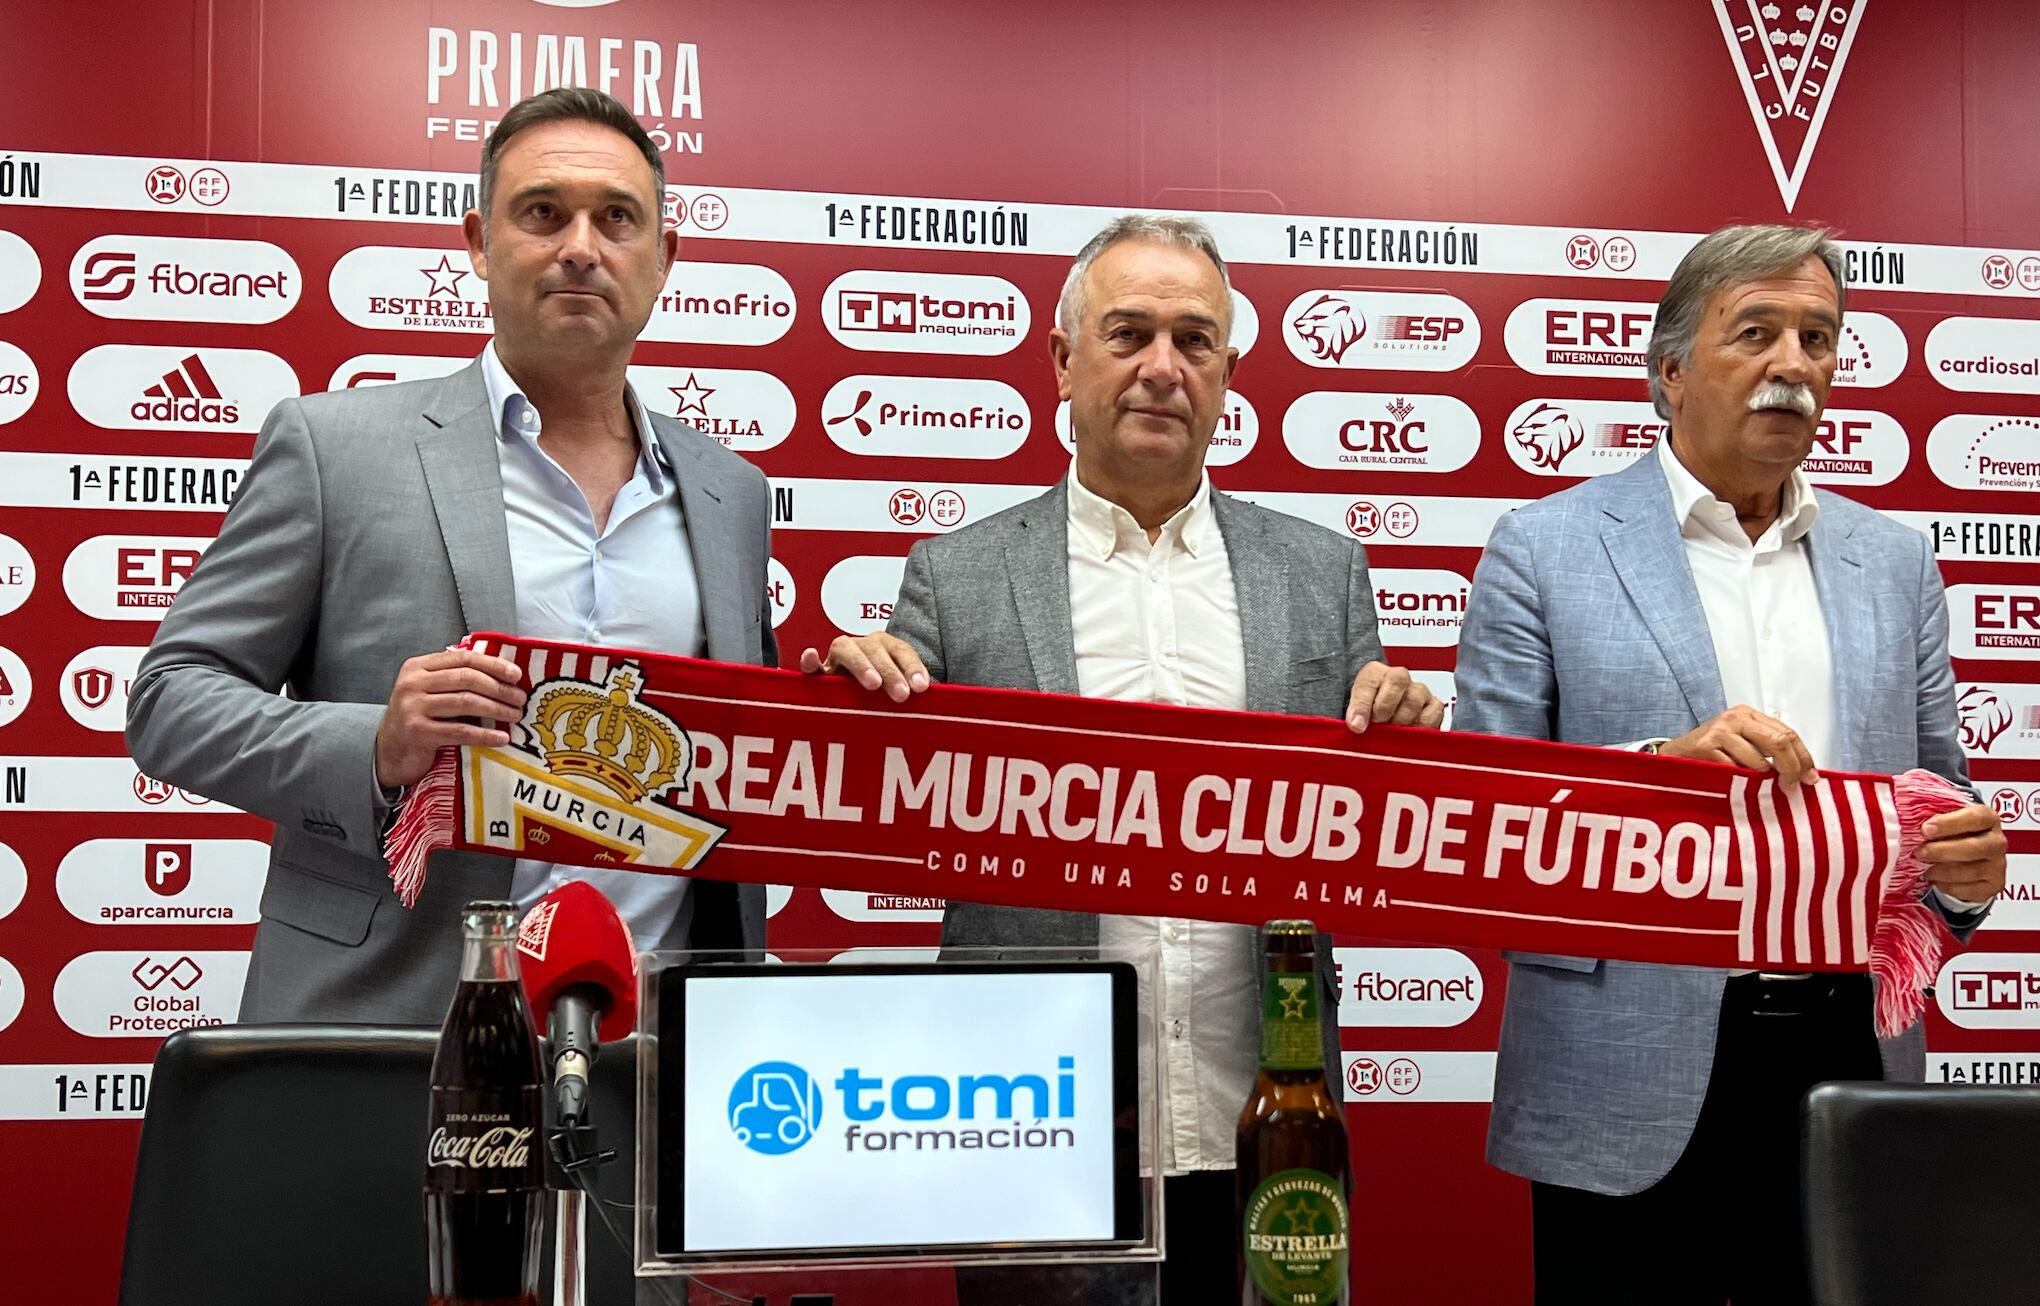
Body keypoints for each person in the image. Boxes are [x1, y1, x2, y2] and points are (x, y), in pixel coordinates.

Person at [805, 214, 1443, 1301]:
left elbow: (1367, 824)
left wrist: (1412, 738)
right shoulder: (955, 580)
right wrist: (851, 704)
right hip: (1031, 1128)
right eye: (1128, 333)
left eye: (1195, 341)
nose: (1162, 368)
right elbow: (870, 795)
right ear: (1060, 359)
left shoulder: (1322, 574)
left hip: (1268, 1123)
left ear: (1230, 370)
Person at [126, 88, 775, 1025]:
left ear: (664, 257)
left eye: (618, 218)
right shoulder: (333, 446)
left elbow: (735, 748)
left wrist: (841, 701)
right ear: (477, 242)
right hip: (391, 1020)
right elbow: (173, 698)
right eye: (543, 213)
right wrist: (377, 746)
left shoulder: (729, 492)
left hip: (650, 1040)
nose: (581, 247)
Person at [1454, 223, 2007, 1306]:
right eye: (1756, 332)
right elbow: (1486, 822)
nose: (1793, 364)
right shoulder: (1545, 545)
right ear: (1669, 369)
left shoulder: (1892, 563)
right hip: (1622, 1073)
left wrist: (1962, 872)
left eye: (1817, 337)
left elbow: (1945, 800)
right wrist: (1664, 767)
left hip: (1851, 1058)